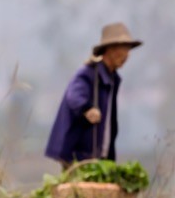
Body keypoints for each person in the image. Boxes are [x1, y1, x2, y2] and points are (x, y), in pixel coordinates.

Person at [44, 22, 142, 171]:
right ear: (111, 50)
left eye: (128, 50)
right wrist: (87, 109)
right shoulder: (88, 73)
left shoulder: (113, 78)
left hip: (99, 154)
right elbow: (74, 96)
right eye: (123, 50)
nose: (126, 56)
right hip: (78, 154)